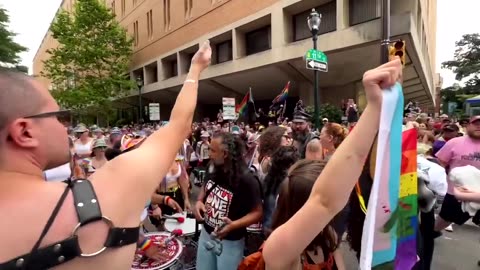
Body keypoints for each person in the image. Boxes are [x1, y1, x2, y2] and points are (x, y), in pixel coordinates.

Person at [0, 41, 211, 269]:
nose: (66, 126)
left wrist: (141, 241)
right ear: (24, 131)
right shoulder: (103, 193)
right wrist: (195, 68)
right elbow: (179, 126)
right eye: (58, 116)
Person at [262, 58, 403, 270]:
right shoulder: (279, 252)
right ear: (302, 205)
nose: (342, 203)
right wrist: (374, 108)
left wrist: (378, 107)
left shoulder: (325, 233)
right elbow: (325, 200)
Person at [194, 132, 263, 270]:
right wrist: (199, 201)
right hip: (206, 234)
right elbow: (205, 185)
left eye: (213, 151)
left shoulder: (247, 179)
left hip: (230, 243)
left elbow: (257, 213)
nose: (210, 154)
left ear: (225, 154)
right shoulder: (212, 166)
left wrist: (233, 225)